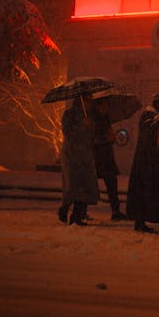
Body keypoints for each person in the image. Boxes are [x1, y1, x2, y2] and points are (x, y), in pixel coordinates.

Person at [126, 91, 159, 234]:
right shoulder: (150, 116)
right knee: (146, 192)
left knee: (150, 193)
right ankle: (143, 221)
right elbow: (151, 136)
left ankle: (150, 220)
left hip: (156, 163)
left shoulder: (157, 117)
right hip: (150, 163)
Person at [58, 95, 100, 226]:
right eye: (88, 101)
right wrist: (82, 125)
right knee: (73, 185)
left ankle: (77, 215)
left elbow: (92, 136)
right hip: (72, 154)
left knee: (85, 185)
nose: (90, 104)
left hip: (86, 155)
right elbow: (68, 132)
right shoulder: (70, 115)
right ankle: (65, 208)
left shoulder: (90, 116)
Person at [88, 95, 127, 221]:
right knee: (90, 184)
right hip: (98, 157)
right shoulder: (92, 119)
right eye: (104, 105)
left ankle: (115, 210)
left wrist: (111, 137)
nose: (107, 108)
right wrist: (106, 139)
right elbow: (93, 138)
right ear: (98, 106)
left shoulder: (104, 118)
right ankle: (79, 210)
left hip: (106, 157)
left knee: (112, 185)